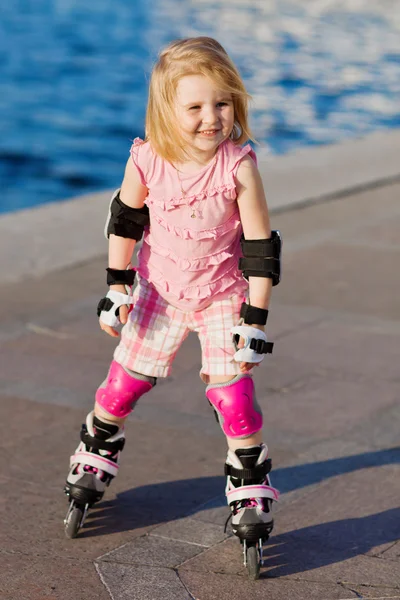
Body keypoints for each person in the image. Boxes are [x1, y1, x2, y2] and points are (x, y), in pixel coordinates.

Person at [65, 37, 281, 544]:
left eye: (222, 103)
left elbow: (260, 247)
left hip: (223, 294)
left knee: (235, 399)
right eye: (195, 107)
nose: (212, 117)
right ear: (167, 110)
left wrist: (254, 319)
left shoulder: (239, 165)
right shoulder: (146, 160)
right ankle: (99, 443)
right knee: (123, 386)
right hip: (159, 291)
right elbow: (126, 221)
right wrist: (118, 287)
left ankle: (249, 476)